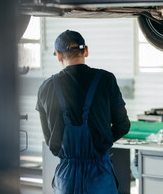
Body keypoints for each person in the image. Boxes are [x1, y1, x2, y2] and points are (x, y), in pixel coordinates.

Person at [36, 30, 130, 194]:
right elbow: (123, 126)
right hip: (99, 176)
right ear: (86, 50)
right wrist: (101, 141)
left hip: (66, 179)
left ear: (58, 55)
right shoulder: (106, 80)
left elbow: (51, 140)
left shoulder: (46, 87)